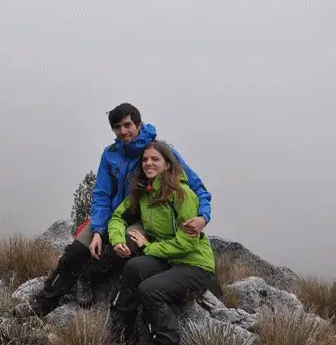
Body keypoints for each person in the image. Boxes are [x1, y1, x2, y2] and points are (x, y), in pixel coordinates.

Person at [14, 103, 212, 316]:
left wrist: (203, 216)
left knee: (124, 245)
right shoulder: (110, 154)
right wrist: (98, 230)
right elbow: (101, 194)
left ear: (138, 124)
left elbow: (195, 185)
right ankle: (44, 302)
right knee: (77, 250)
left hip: (145, 218)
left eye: (127, 125)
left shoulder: (157, 151)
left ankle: (88, 278)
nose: (123, 132)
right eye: (117, 127)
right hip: (115, 215)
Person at [108, 140, 217, 345]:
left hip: (195, 266)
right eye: (145, 159)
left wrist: (148, 247)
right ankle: (125, 332)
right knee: (133, 268)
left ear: (167, 164)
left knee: (149, 290)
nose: (148, 163)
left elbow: (187, 244)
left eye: (155, 159)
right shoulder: (143, 193)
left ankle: (166, 339)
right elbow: (117, 218)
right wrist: (116, 240)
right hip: (168, 260)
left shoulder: (182, 195)